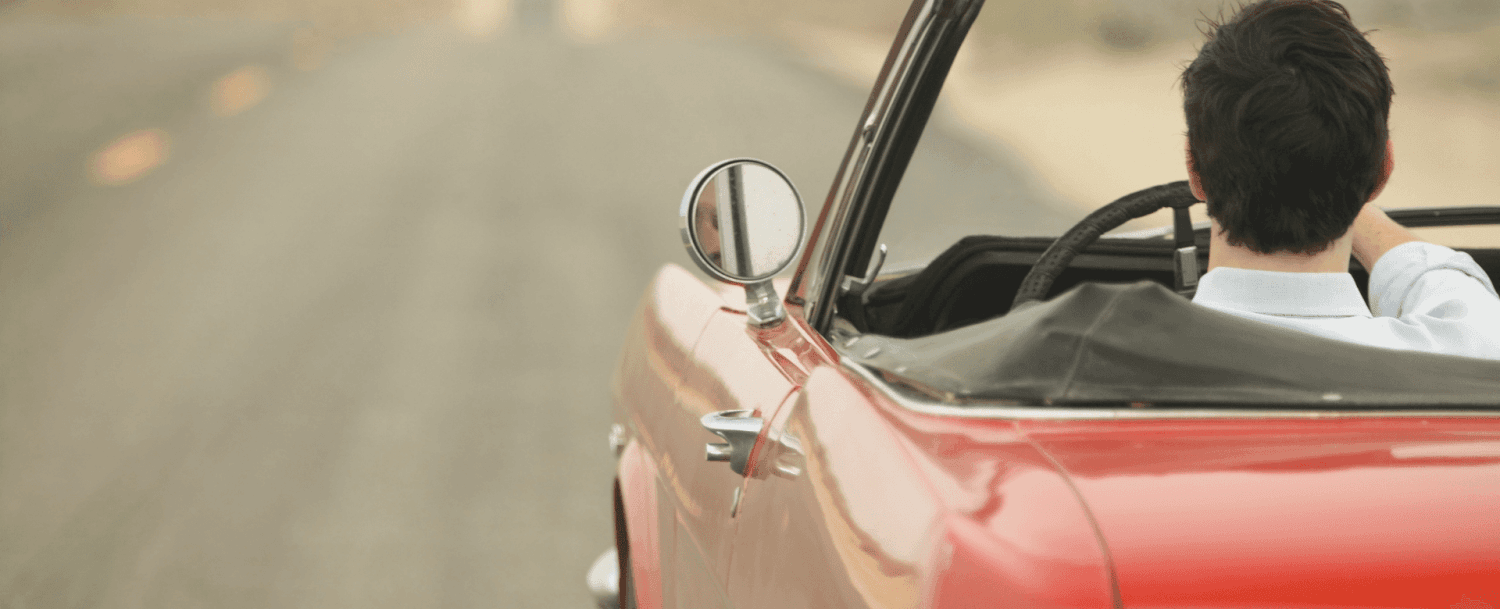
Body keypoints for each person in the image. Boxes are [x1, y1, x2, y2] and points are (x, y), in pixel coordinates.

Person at [1181, 0, 1500, 360]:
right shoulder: (1472, 355)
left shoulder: (1118, 360)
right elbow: (1458, 297)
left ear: (1195, 172)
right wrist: (1339, 181)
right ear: (1382, 173)